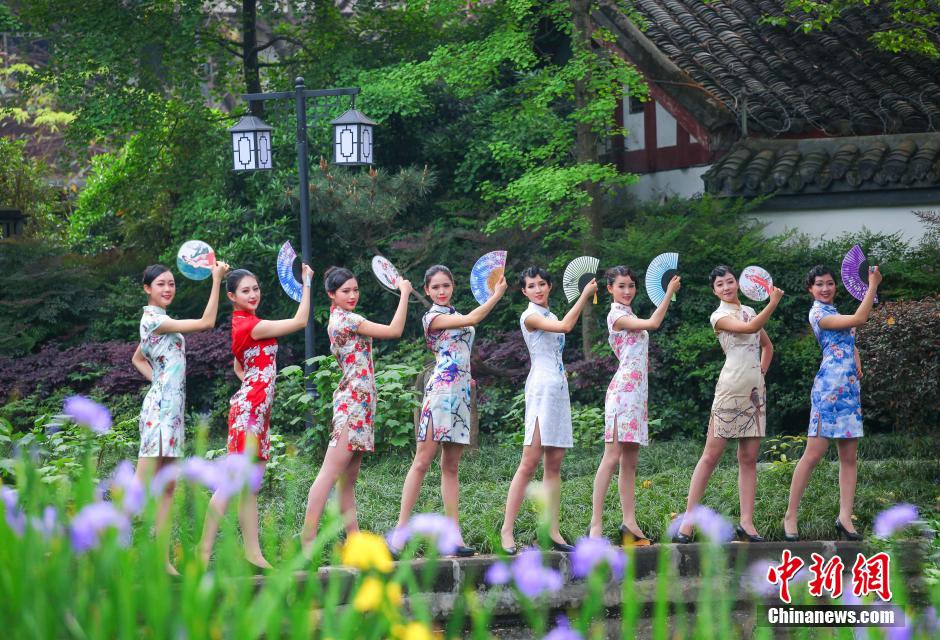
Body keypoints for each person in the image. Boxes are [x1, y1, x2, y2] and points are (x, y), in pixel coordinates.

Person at [198, 264, 313, 569]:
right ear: (232, 296)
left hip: (256, 410)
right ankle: (202, 554)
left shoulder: (244, 325)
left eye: (256, 288)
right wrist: (308, 283)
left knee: (251, 485)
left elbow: (240, 367)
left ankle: (254, 555)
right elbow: (301, 320)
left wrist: (255, 384)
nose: (253, 294)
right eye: (245, 290)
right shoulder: (251, 325)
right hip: (249, 411)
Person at [393, 265, 508, 557]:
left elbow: (463, 347)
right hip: (441, 391)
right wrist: (496, 295)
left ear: (453, 286)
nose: (442, 291)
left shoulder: (453, 313)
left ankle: (453, 537)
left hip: (460, 393)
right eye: (436, 287)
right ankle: (399, 534)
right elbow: (475, 317)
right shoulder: (433, 316)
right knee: (422, 460)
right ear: (428, 291)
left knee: (452, 466)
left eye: (446, 285)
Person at [301, 267, 412, 549]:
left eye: (355, 290)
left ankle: (354, 539)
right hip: (352, 404)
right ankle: (307, 541)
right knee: (329, 474)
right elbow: (395, 330)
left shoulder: (342, 318)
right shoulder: (347, 320)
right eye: (345, 291)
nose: (352, 295)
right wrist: (405, 294)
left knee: (348, 479)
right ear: (331, 295)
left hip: (361, 403)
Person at [673, 266, 783, 543]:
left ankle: (747, 523)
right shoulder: (719, 315)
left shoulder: (748, 309)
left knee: (748, 459)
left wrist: (761, 373)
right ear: (714, 290)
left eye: (730, 281)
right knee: (711, 455)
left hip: (754, 393)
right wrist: (772, 303)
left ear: (738, 283)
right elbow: (750, 328)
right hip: (730, 389)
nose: (726, 287)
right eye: (720, 284)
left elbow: (767, 346)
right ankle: (687, 522)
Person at [132, 260, 229, 573]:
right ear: (147, 289)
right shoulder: (152, 319)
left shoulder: (161, 320)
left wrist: (160, 381)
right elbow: (206, 322)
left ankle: (160, 560)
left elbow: (138, 357)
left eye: (171, 283)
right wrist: (216, 280)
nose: (168, 288)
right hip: (159, 413)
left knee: (168, 487)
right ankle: (109, 550)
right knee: (140, 486)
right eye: (161, 284)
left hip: (171, 412)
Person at [499, 266, 597, 554]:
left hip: (558, 389)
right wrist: (584, 295)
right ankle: (507, 530)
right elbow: (567, 327)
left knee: (554, 464)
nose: (538, 289)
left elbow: (561, 326)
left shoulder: (551, 315)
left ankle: (551, 530)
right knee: (529, 462)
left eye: (542, 283)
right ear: (524, 291)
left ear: (550, 286)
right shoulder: (529, 316)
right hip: (541, 388)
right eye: (532, 285)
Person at [783, 265, 882, 542]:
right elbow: (860, 319)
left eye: (829, 283)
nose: (825, 288)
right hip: (828, 389)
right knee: (813, 454)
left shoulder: (836, 312)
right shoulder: (817, 313)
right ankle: (790, 515)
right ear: (810, 290)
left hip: (849, 391)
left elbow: (849, 339)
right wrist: (872, 284)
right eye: (819, 285)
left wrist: (857, 360)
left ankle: (845, 517)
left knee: (849, 458)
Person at [588, 266, 681, 545]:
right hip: (623, 394)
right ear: (610, 289)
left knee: (630, 462)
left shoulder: (628, 315)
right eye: (621, 286)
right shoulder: (616, 315)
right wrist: (668, 294)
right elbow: (653, 323)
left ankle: (629, 523)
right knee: (612, 457)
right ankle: (595, 525)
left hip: (638, 395)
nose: (627, 291)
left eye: (630, 285)